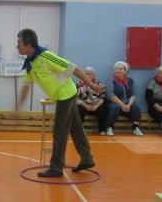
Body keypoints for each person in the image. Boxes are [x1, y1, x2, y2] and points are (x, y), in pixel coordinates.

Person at [16, 28, 102, 178]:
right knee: (76, 128)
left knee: (59, 132)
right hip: (62, 95)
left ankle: (56, 167)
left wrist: (90, 84)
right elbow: (26, 86)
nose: (17, 46)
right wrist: (18, 108)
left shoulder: (46, 56)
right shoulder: (30, 63)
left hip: (66, 95)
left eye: (19, 43)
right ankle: (87, 159)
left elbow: (72, 68)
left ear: (28, 45)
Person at [105, 61, 143, 137]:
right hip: (114, 102)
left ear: (125, 71)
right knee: (115, 107)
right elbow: (110, 95)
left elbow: (134, 94)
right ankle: (109, 127)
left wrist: (129, 104)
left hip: (127, 103)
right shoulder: (111, 81)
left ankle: (135, 128)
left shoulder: (131, 81)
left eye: (120, 69)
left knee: (136, 106)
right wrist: (122, 105)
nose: (117, 70)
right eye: (116, 69)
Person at [76, 67, 109, 135]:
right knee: (79, 109)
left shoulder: (99, 84)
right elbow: (76, 98)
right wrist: (86, 106)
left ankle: (102, 130)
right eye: (86, 74)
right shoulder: (78, 84)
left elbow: (102, 97)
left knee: (102, 109)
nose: (88, 75)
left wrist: (96, 106)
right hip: (83, 105)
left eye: (90, 74)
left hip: (95, 106)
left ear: (93, 75)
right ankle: (79, 129)